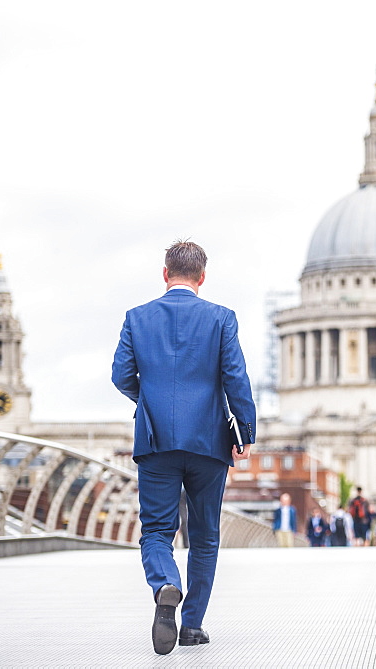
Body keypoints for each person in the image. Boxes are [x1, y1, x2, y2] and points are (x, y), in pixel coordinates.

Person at [112, 240, 255, 656]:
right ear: (202, 277)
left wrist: (150, 402)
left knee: (157, 529)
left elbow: (121, 375)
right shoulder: (221, 318)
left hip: (155, 441)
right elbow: (236, 379)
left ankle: (164, 584)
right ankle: (192, 625)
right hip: (209, 443)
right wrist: (244, 432)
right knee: (205, 535)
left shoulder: (136, 318)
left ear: (165, 273)